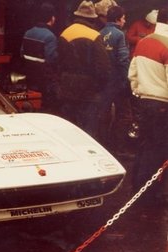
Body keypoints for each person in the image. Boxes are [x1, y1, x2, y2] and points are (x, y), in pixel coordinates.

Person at [127, 7, 168, 204]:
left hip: (144, 101)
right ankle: (153, 194)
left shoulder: (143, 42)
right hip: (163, 105)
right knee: (160, 149)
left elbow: (132, 74)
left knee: (145, 146)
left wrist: (139, 92)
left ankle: (138, 187)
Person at [57, 0, 111, 139]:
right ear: (92, 19)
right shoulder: (94, 35)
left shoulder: (65, 33)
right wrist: (99, 87)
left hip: (67, 88)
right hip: (88, 91)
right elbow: (103, 68)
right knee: (88, 132)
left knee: (69, 128)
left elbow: (58, 63)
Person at [99, 5, 130, 148]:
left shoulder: (99, 33)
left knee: (103, 114)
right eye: (123, 18)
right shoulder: (120, 34)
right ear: (118, 19)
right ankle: (118, 146)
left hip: (103, 82)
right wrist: (126, 81)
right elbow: (123, 60)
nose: (124, 21)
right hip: (118, 81)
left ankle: (102, 143)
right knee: (124, 115)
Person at [20, 2, 58, 112]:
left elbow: (22, 54)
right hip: (45, 83)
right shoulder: (50, 37)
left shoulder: (28, 33)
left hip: (30, 79)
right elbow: (51, 60)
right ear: (52, 18)